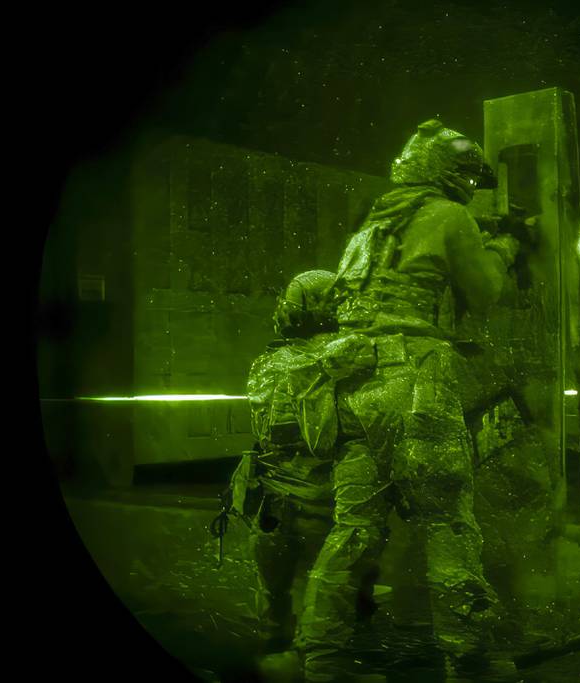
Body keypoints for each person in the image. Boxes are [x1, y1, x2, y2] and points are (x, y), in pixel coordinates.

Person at [294, 119, 523, 682]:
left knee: (354, 524)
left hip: (354, 384)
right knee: (447, 521)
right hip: (414, 379)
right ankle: (468, 661)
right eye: (469, 177)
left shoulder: (372, 227)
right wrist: (506, 245)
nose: (472, 186)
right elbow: (486, 292)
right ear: (451, 176)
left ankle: (322, 659)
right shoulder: (449, 215)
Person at [226, 269, 377, 678]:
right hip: (321, 504)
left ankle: (276, 660)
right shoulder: (341, 358)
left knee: (273, 597)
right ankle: (322, 668)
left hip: (271, 505)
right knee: (331, 593)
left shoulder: (267, 362)